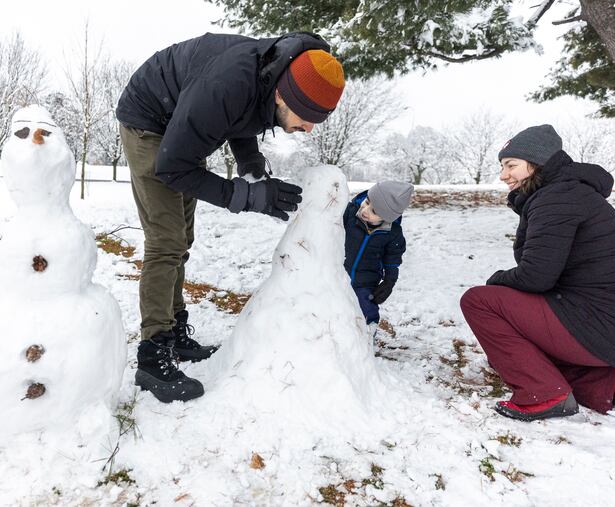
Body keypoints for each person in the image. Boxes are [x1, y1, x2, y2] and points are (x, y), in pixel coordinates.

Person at [116, 32, 345, 403]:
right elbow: (173, 166)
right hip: (150, 120)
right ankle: (152, 353)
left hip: (182, 122)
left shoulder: (270, 74)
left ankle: (173, 332)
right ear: (284, 96)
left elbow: (242, 116)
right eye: (307, 118)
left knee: (182, 239)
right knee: (166, 240)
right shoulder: (228, 82)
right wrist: (244, 196)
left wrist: (252, 168)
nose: (309, 128)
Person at [460, 124, 615, 421]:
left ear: (537, 164)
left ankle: (544, 393)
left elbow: (536, 277)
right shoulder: (566, 193)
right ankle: (603, 384)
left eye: (511, 165)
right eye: (502, 166)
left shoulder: (556, 199)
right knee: (515, 318)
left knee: (479, 301)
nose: (503, 175)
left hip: (608, 323)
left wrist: (497, 281)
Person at [343, 181, 413, 344]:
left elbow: (392, 259)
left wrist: (389, 281)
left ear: (387, 217)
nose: (365, 211)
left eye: (374, 211)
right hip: (339, 273)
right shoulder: (348, 213)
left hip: (366, 281)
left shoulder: (392, 234)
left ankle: (367, 336)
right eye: (367, 202)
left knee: (366, 308)